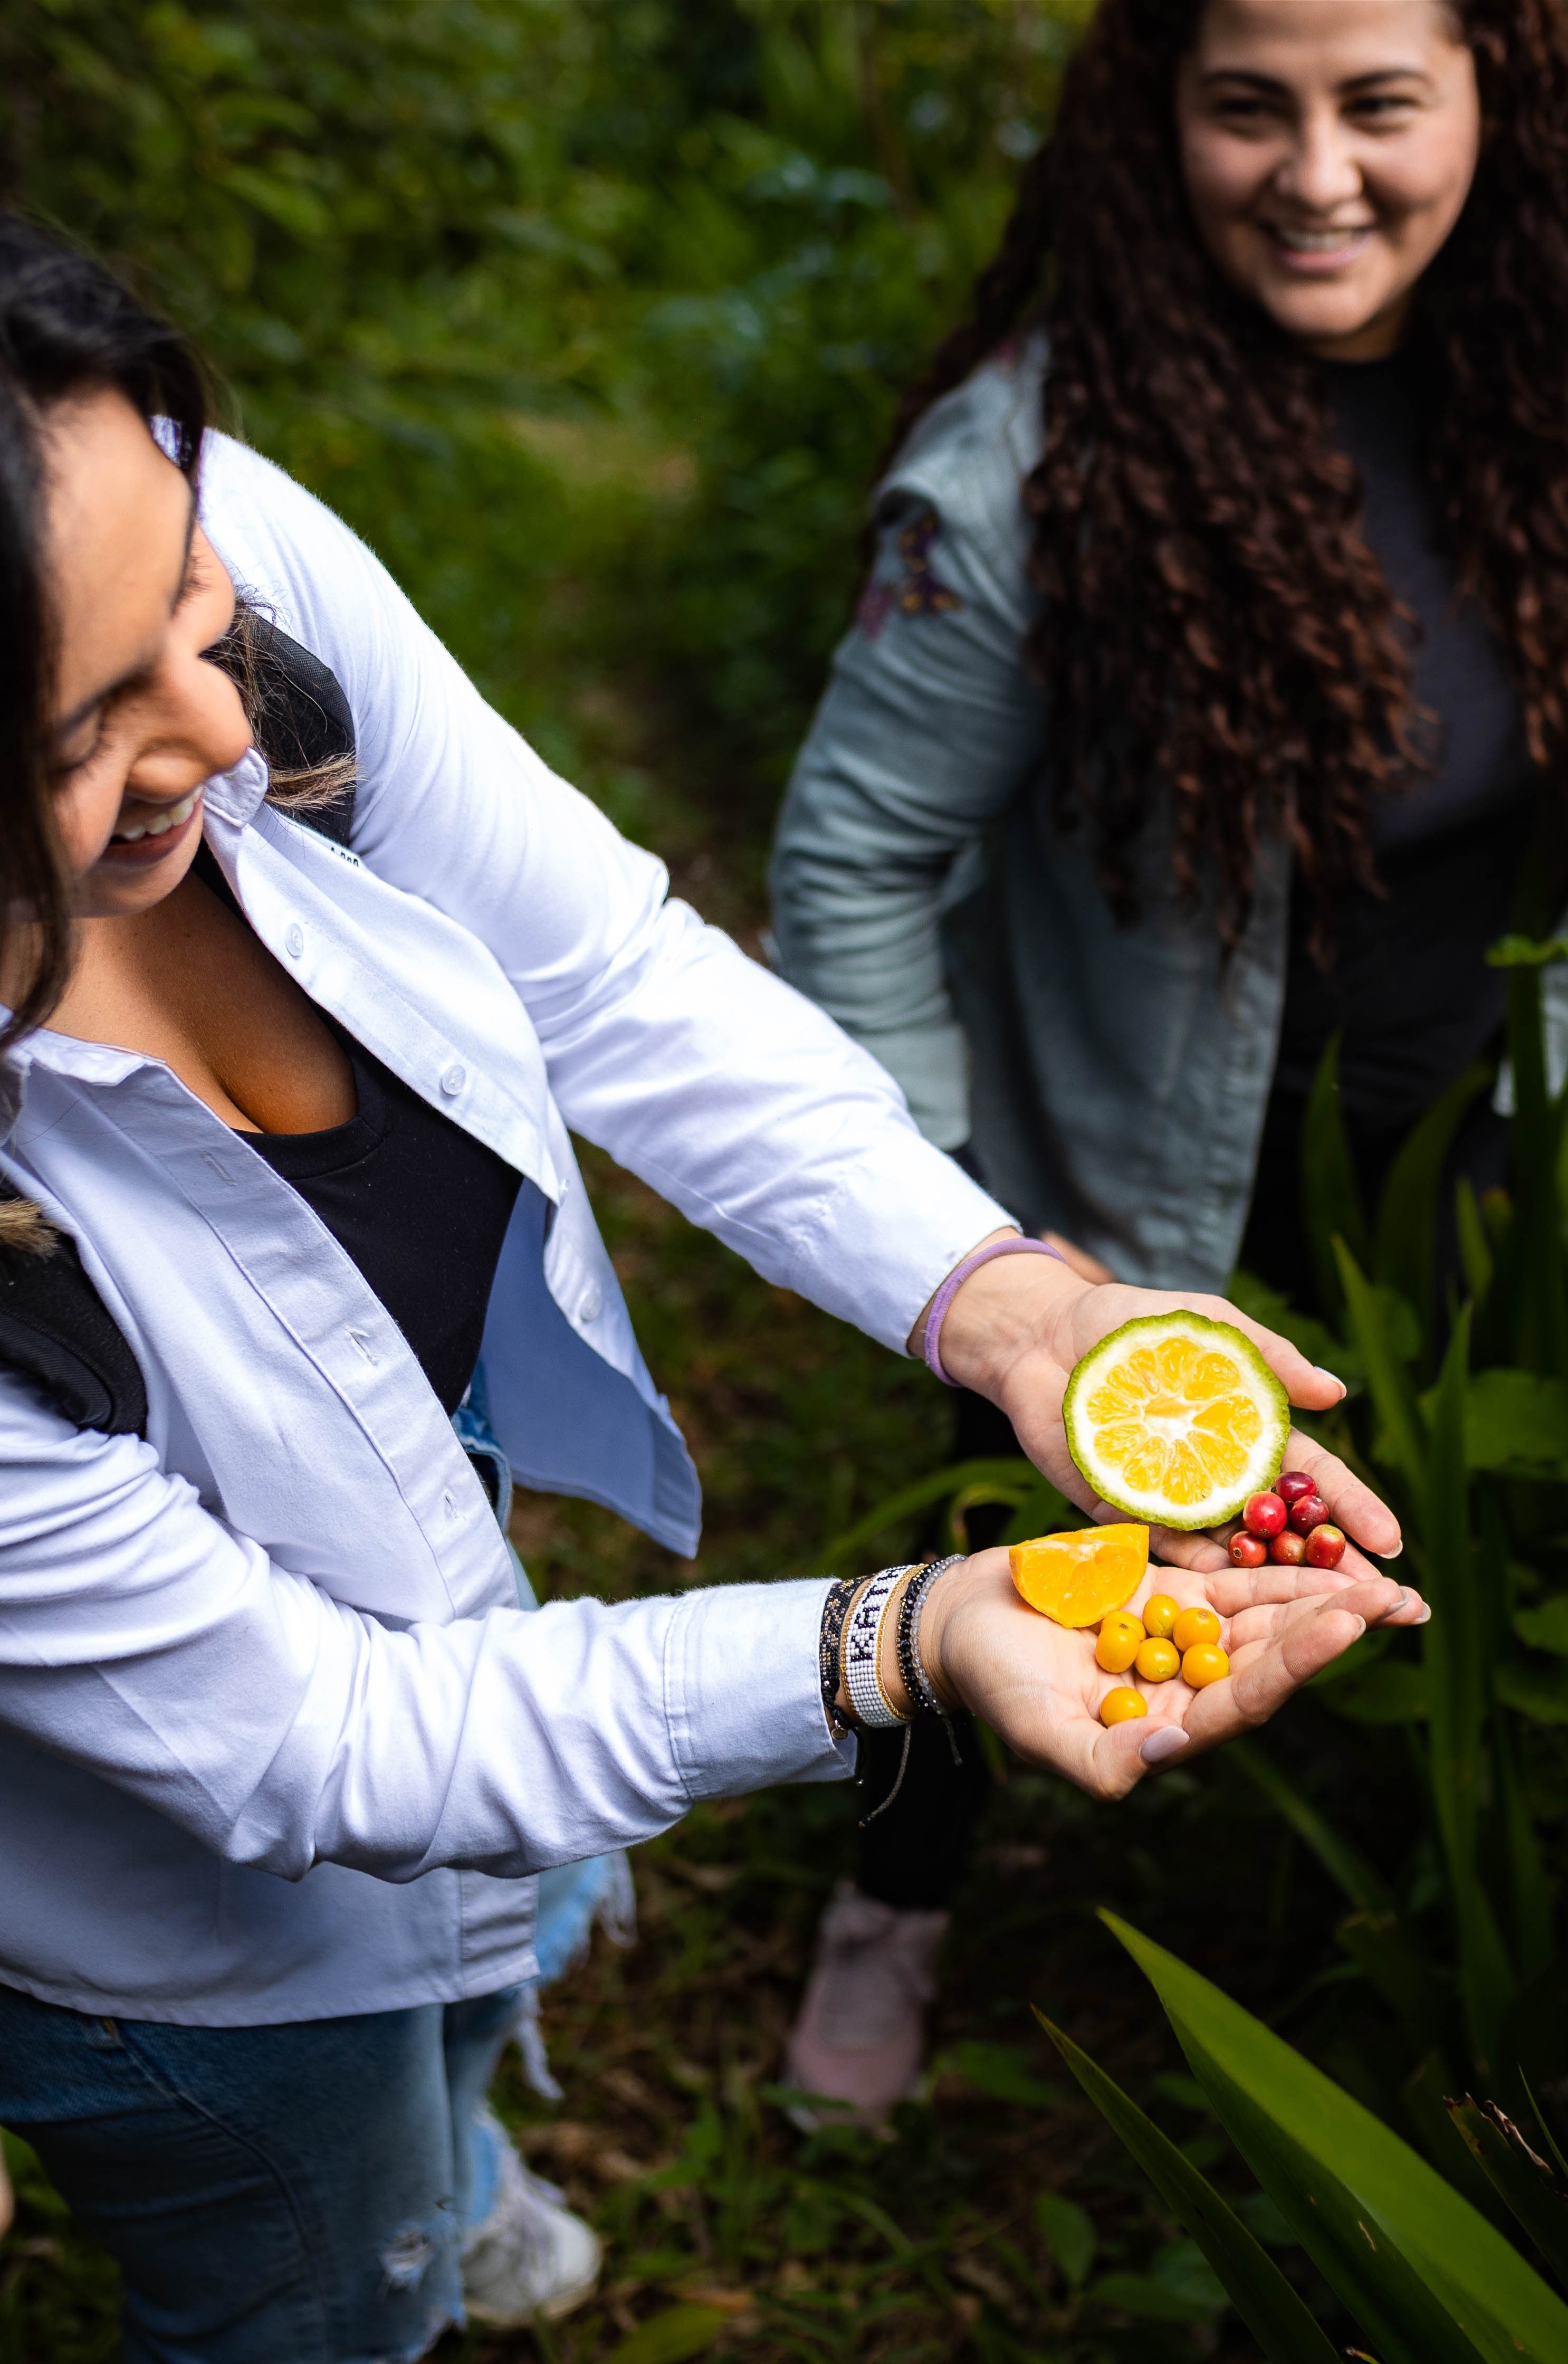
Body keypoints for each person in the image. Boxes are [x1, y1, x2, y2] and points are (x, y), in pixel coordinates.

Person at [0, 213, 1422, 2364]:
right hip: (178, 1937)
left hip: (424, 1593)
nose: (217, 717)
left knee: (481, 1963)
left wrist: (1005, 1296)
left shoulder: (149, 524)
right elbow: (325, 1735)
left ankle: (460, 2155)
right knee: (305, 2242)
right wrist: (905, 1635)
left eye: (199, 610)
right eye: (91, 722)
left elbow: (607, 978)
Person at [768, 0, 1568, 2114]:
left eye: (1379, 105)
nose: (1317, 174)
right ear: (1159, 126)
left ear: (1487, 109)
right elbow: (851, 853)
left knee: (1373, 1524)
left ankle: (1321, 1904)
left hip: (1476, 1128)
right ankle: (894, 1904)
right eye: (1250, 107)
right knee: (995, 1540)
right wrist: (952, 1233)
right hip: (1110, 1177)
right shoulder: (1037, 462)